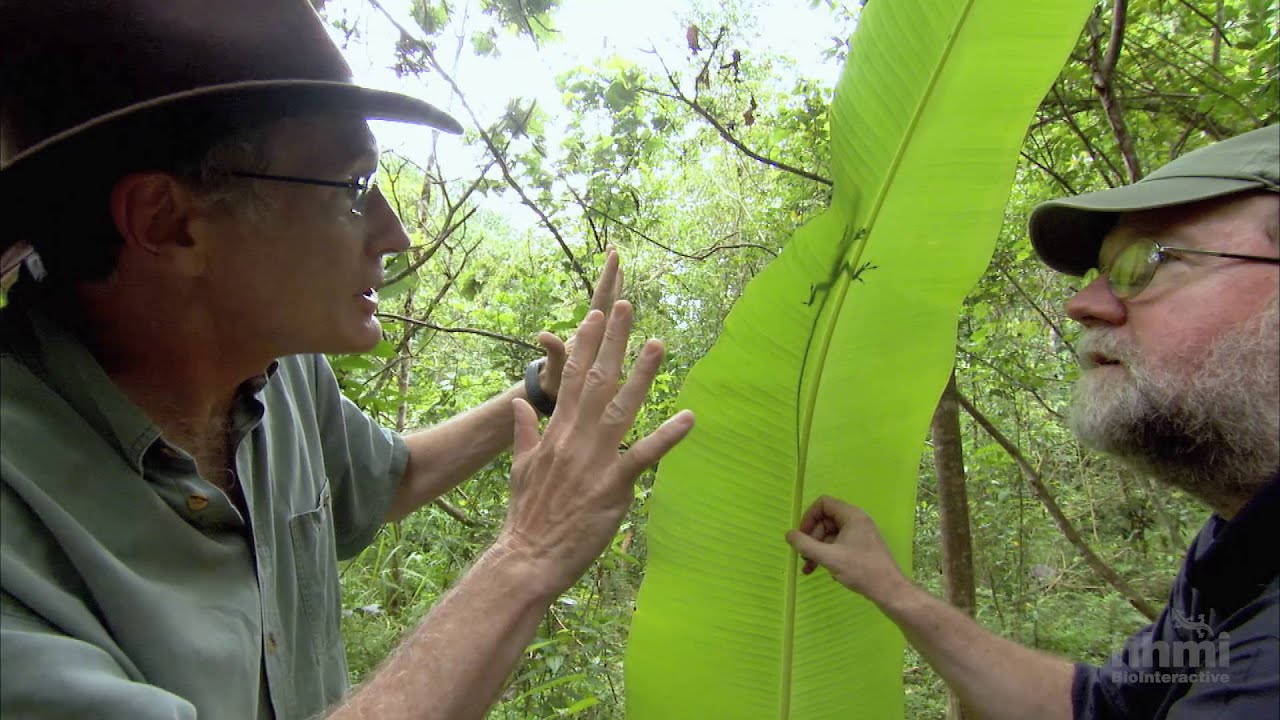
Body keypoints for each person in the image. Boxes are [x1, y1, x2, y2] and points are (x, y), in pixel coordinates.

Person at [0, 2, 694, 719]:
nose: (394, 234)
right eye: (354, 186)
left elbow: (385, 480)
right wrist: (528, 554)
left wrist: (539, 392)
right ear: (168, 223)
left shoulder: (275, 368)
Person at [787, 124, 1279, 719]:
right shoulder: (1240, 549)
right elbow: (1106, 708)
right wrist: (889, 586)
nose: (1082, 304)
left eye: (1148, 260)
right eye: (1099, 271)